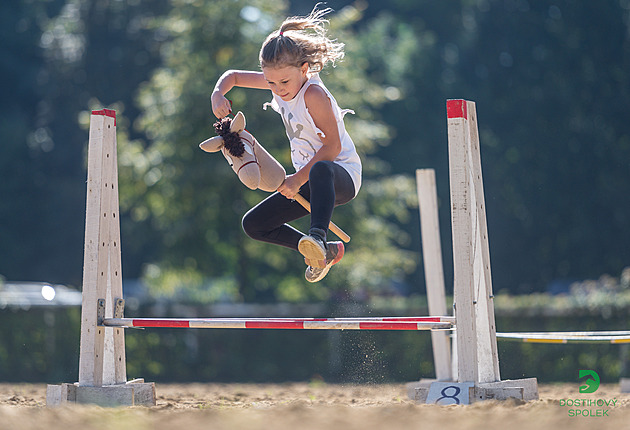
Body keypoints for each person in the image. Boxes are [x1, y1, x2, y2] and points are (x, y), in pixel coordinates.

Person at [210, 6, 361, 283]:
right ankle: (320, 252)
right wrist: (218, 93)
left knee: (320, 170)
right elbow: (232, 76)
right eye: (270, 82)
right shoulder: (278, 82)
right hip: (306, 179)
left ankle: (318, 234)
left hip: (340, 176)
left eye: (283, 82)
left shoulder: (313, 94)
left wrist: (295, 180)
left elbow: (333, 148)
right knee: (254, 224)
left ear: (304, 69)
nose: (278, 89)